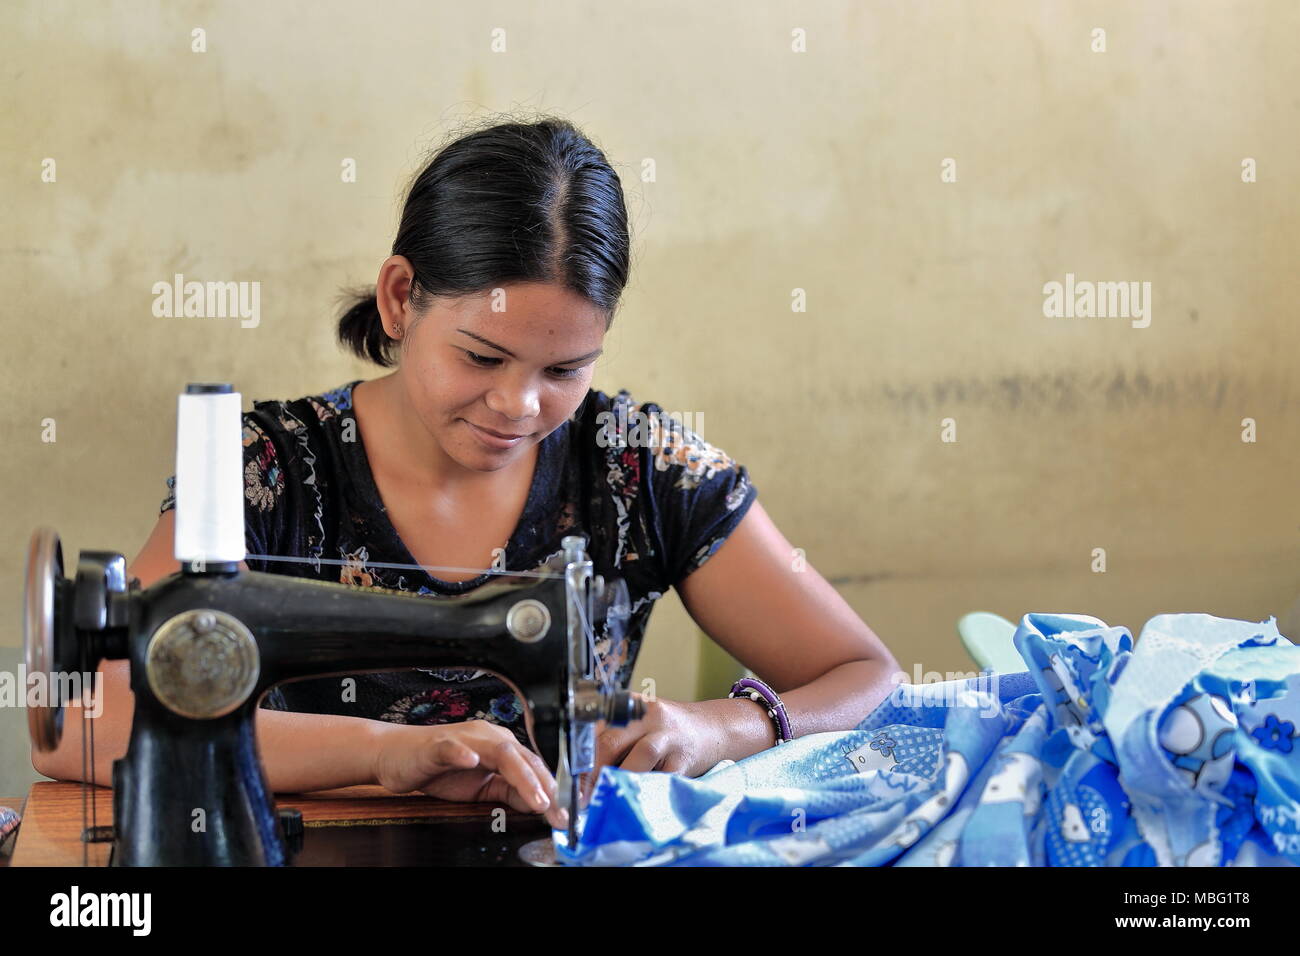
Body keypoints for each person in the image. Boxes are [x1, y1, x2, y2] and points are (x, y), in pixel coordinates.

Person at [32, 116, 900, 831]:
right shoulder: (265, 469)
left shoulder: (640, 463)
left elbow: (870, 677)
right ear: (401, 297)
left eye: (565, 370)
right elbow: (80, 722)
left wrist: (721, 726)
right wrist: (379, 754)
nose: (520, 406)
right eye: (483, 356)